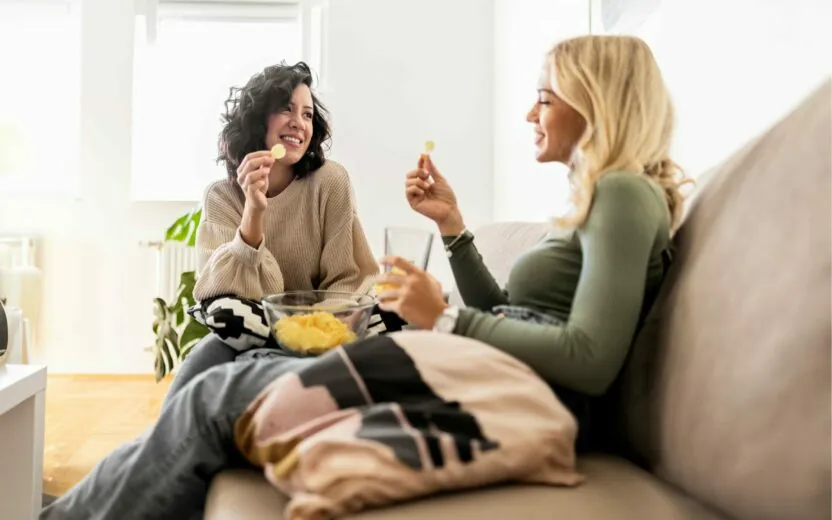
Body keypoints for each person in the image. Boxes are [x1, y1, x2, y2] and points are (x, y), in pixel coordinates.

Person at [41, 35, 690, 519]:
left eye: (544, 98)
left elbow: (590, 360)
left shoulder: (623, 194)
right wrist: (453, 228)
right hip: (477, 365)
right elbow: (513, 311)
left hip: (493, 383)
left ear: (596, 100)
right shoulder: (604, 198)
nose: (529, 114)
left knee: (214, 397)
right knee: (205, 371)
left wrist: (446, 318)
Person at [162, 61, 379, 405]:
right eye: (286, 109)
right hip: (253, 331)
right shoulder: (222, 196)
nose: (299, 122)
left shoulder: (330, 181)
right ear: (257, 119)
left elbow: (348, 279)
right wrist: (254, 212)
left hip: (322, 331)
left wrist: (304, 335)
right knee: (202, 360)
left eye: (308, 114)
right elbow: (222, 292)